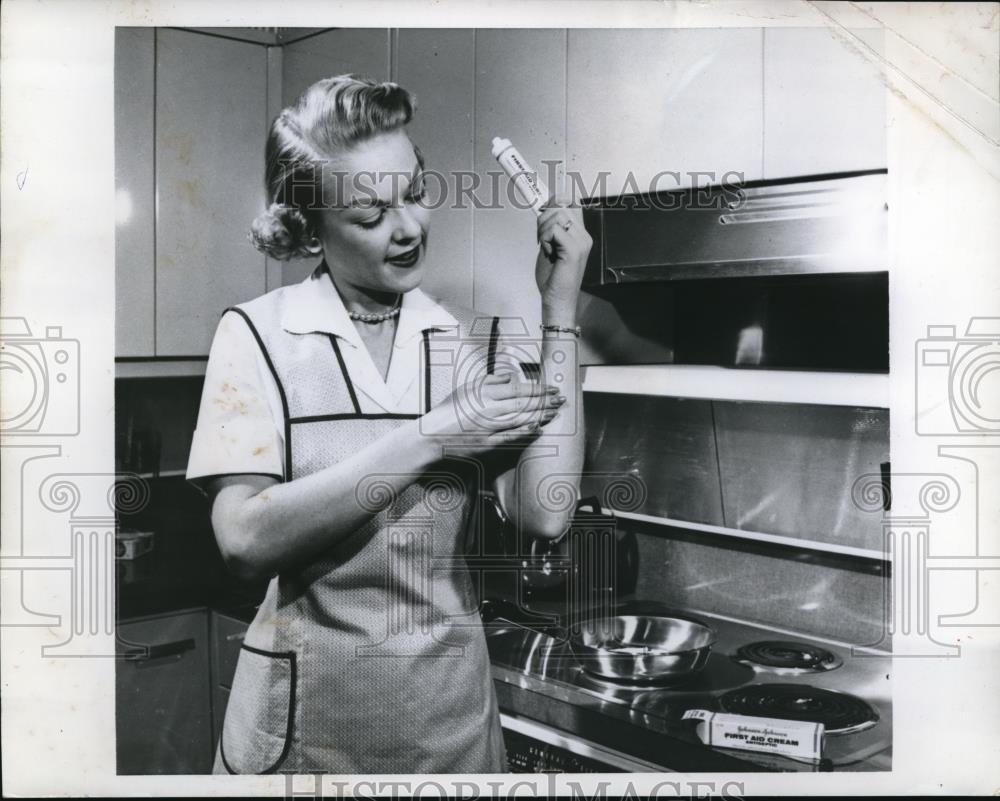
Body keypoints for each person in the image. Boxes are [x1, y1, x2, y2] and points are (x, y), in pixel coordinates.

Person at [186, 73, 590, 775]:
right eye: (371, 215)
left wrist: (559, 306)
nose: (407, 228)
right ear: (309, 225)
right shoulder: (259, 334)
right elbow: (244, 540)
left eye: (415, 193)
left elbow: (543, 513)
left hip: (448, 730)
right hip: (302, 732)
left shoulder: (467, 339)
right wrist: (431, 436)